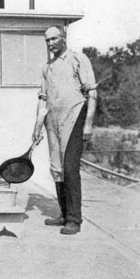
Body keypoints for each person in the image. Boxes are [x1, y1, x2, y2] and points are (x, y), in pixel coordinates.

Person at [32, 25, 98, 235]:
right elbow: (43, 100)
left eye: (54, 39)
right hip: (52, 122)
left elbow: (92, 93)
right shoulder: (47, 67)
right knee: (57, 168)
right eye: (47, 40)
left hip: (74, 118)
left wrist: (88, 124)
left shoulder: (78, 59)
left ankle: (74, 219)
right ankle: (64, 214)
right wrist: (37, 126)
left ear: (64, 37)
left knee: (70, 169)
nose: (50, 44)